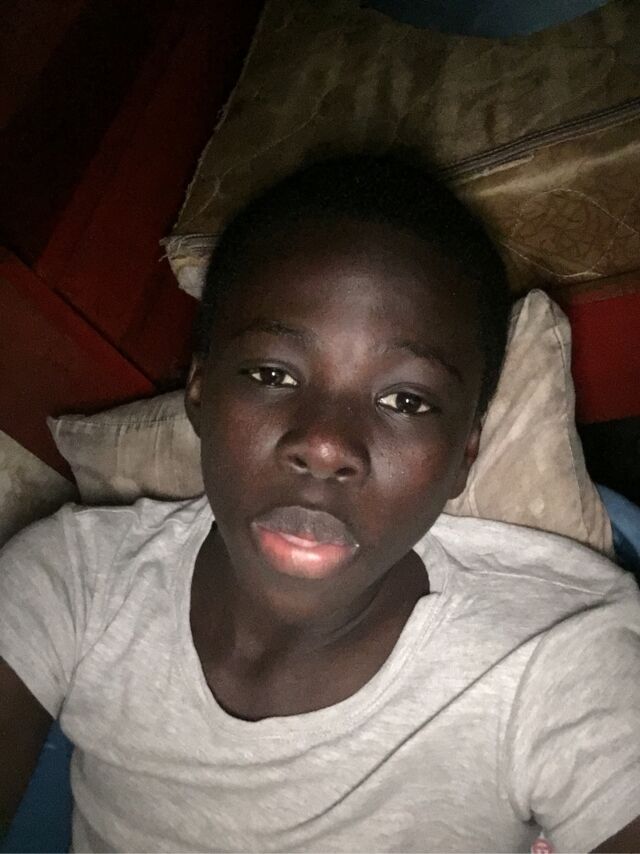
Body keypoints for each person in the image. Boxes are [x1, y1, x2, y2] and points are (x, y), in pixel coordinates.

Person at [1, 154, 638, 853]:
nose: (327, 445)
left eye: (406, 400)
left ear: (464, 454)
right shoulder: (74, 581)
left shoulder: (554, 656)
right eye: (273, 374)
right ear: (200, 393)